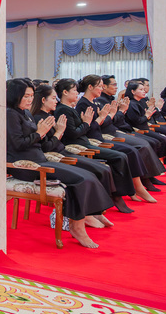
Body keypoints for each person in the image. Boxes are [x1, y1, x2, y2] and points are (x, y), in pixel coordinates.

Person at [7, 79, 113, 248]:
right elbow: (17, 144)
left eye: (31, 96)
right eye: (26, 96)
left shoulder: (25, 113)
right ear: (15, 96)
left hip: (39, 159)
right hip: (26, 166)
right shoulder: (10, 114)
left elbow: (34, 140)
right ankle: (77, 227)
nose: (29, 100)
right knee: (80, 179)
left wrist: (41, 134)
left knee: (88, 175)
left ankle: (84, 218)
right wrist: (40, 134)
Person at [54, 78, 137, 210]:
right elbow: (74, 133)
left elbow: (82, 129)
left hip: (86, 141)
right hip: (79, 145)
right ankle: (115, 196)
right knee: (119, 157)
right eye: (74, 90)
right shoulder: (63, 110)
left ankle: (120, 194)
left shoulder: (69, 108)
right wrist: (87, 122)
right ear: (65, 92)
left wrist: (88, 122)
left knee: (122, 155)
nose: (77, 93)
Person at [77, 75, 165, 191]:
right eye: (100, 86)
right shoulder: (87, 103)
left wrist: (110, 115)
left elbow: (108, 121)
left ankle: (146, 179)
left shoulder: (95, 102)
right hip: (104, 135)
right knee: (137, 147)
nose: (101, 88)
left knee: (146, 143)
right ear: (90, 87)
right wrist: (111, 115)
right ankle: (138, 185)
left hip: (112, 130)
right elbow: (99, 124)